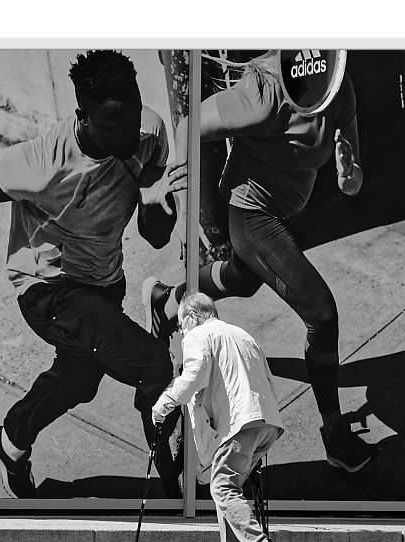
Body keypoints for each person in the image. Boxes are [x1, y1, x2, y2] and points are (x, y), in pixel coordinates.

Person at [0, 50, 184, 498]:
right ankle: (176, 487)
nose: (128, 133)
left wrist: (155, 201)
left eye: (133, 115)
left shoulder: (147, 132)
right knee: (152, 365)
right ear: (84, 116)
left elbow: (154, 235)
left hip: (102, 280)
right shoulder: (44, 163)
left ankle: (11, 441)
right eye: (114, 126)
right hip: (47, 288)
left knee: (79, 380)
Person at [144, 49, 373, 473]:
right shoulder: (267, 90)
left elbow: (354, 182)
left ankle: (166, 300)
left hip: (289, 213)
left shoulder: (338, 86)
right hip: (252, 216)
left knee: (241, 279)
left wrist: (347, 175)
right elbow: (190, 123)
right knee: (322, 315)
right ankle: (336, 434)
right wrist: (179, 181)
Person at [152, 293, 284, 542]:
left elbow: (193, 376)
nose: (181, 330)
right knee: (228, 486)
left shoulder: (199, 334)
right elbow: (266, 378)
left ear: (191, 317)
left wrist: (164, 404)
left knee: (221, 485)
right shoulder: (243, 335)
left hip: (241, 423)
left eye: (180, 323)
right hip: (265, 423)